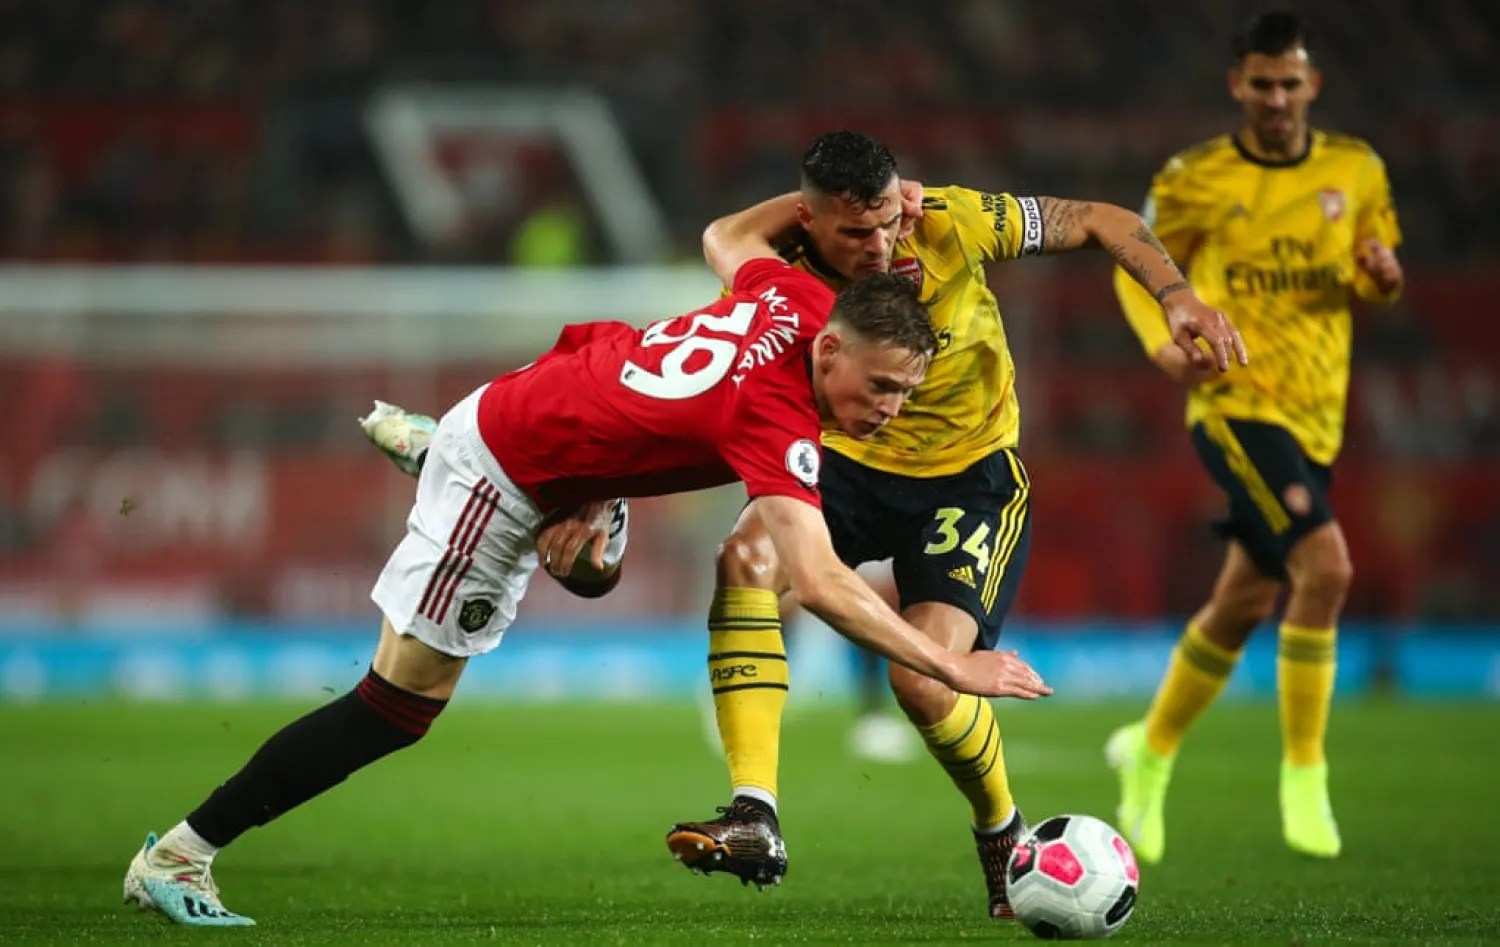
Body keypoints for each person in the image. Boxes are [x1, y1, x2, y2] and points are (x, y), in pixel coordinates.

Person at [121, 207, 1055, 928]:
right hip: (508, 472)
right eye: (882, 387)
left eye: (907, 391)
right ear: (832, 350)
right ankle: (179, 854)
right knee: (396, 708)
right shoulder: (777, 416)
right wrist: (952, 664)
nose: (891, 409)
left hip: (558, 412)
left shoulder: (800, 300)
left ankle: (443, 447)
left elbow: (731, 234)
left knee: (594, 564)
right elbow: (817, 583)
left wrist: (836, 207)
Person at [661, 130, 1247, 918]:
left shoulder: (950, 221)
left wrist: (1175, 295)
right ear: (807, 218)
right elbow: (721, 236)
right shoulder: (782, 262)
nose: (878, 245)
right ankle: (754, 810)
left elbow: (1102, 219)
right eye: (854, 231)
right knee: (744, 559)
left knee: (923, 679)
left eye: (885, 223)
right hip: (844, 460)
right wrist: (812, 215)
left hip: (967, 481)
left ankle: (999, 826)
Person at [1105, 11, 1404, 865]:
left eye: (1290, 82)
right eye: (1262, 83)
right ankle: (1305, 771)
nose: (1277, 98)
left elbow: (1374, 270)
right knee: (1328, 567)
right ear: (1238, 85)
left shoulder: (1357, 170)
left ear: (1313, 84)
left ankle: (1151, 752)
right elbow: (1136, 253)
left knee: (1241, 602)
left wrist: (1384, 278)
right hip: (1235, 404)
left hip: (1318, 414)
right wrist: (1161, 340)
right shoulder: (1197, 176)